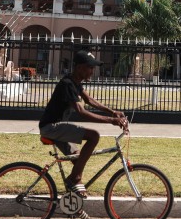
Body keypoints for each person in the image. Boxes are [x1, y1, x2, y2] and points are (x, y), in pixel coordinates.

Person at [39, 49, 127, 195]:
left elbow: (89, 100)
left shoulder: (75, 82)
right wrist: (112, 120)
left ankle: (73, 202)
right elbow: (81, 112)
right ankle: (75, 178)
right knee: (94, 136)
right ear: (80, 67)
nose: (92, 71)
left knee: (78, 160)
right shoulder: (67, 84)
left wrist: (113, 112)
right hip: (51, 127)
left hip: (57, 127)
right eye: (90, 67)